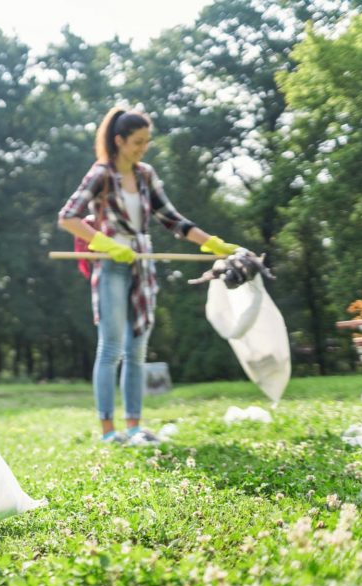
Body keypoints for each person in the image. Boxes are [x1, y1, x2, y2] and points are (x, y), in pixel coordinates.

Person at [57, 107, 242, 444]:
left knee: (137, 351)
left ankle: (133, 427)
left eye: (147, 141)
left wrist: (210, 243)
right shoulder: (101, 174)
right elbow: (67, 217)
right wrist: (105, 243)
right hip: (111, 265)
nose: (144, 148)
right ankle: (108, 431)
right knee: (111, 349)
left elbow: (172, 219)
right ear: (119, 141)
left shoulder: (146, 175)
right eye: (138, 142)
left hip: (143, 265)